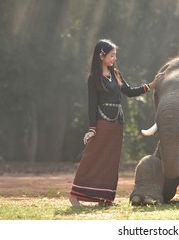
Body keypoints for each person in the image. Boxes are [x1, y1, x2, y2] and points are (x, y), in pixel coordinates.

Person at [69, 39, 162, 207]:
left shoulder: (116, 74)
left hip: (117, 123)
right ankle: (75, 196)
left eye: (115, 55)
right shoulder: (93, 79)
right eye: (111, 55)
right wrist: (92, 128)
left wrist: (151, 85)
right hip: (102, 122)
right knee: (92, 157)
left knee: (111, 160)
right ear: (101, 55)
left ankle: (104, 198)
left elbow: (129, 92)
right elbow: (92, 105)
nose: (114, 58)